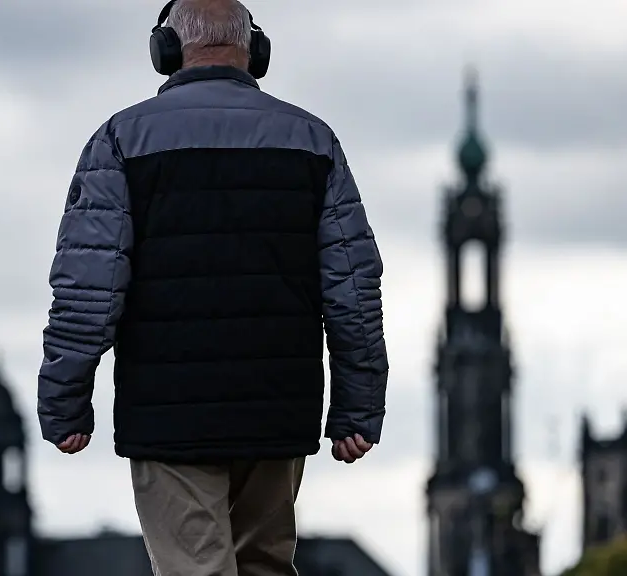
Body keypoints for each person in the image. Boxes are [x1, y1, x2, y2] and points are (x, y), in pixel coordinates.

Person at [37, 0, 389, 574]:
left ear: (166, 52)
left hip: (170, 415)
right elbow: (353, 292)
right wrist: (358, 408)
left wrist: (65, 400)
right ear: (255, 52)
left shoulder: (120, 142)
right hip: (278, 408)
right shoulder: (313, 142)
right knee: (266, 566)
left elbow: (87, 291)